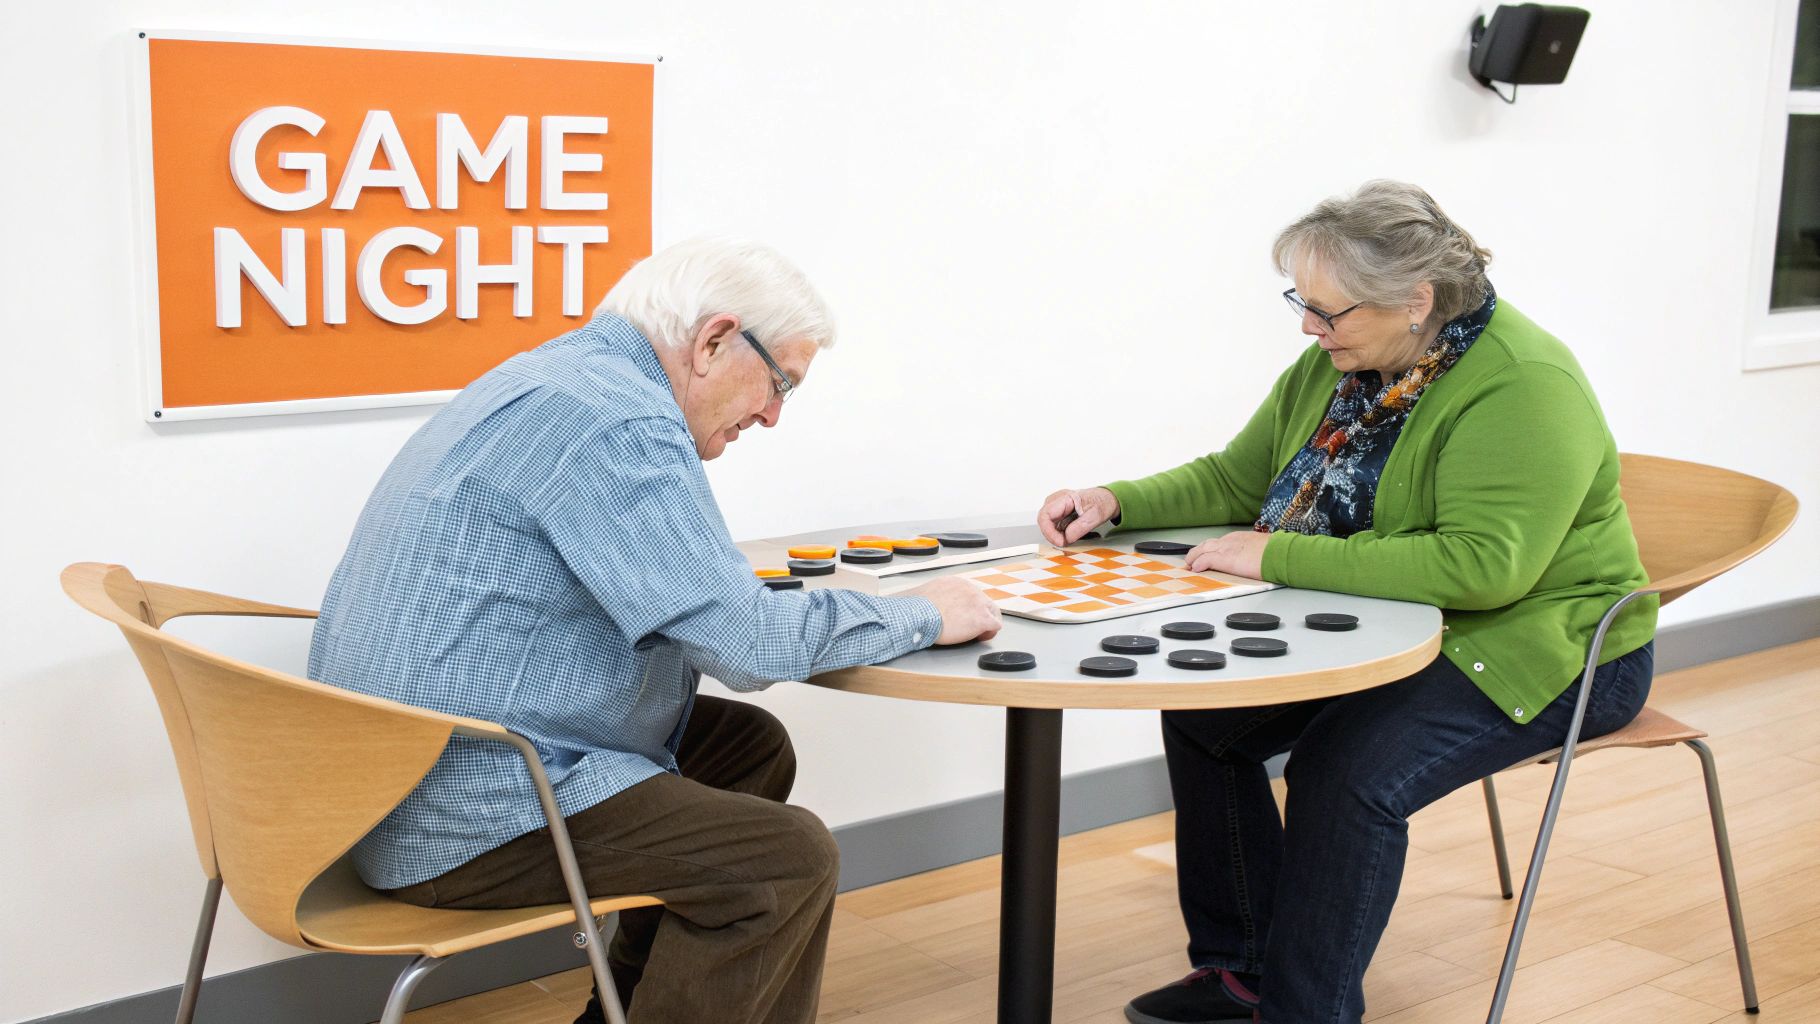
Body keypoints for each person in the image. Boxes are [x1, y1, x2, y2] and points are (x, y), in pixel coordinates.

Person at [308, 237, 1002, 1024]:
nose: (772, 416)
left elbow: (690, 598)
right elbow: (745, 645)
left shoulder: (560, 378)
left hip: (391, 777)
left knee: (746, 748)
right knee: (785, 864)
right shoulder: (616, 422)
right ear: (713, 341)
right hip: (458, 811)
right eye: (780, 384)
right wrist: (925, 613)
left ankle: (625, 1011)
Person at [1035, 181, 1657, 1024]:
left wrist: (1278, 556)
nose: (1307, 328)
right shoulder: (1345, 361)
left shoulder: (1523, 383)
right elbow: (1237, 476)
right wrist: (1118, 499)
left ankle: (1306, 1010)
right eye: (1303, 304)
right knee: (1204, 718)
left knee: (1343, 770)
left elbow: (1484, 570)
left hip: (1546, 646)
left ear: (1416, 301)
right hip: (1399, 625)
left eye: (1326, 311)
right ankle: (1240, 971)